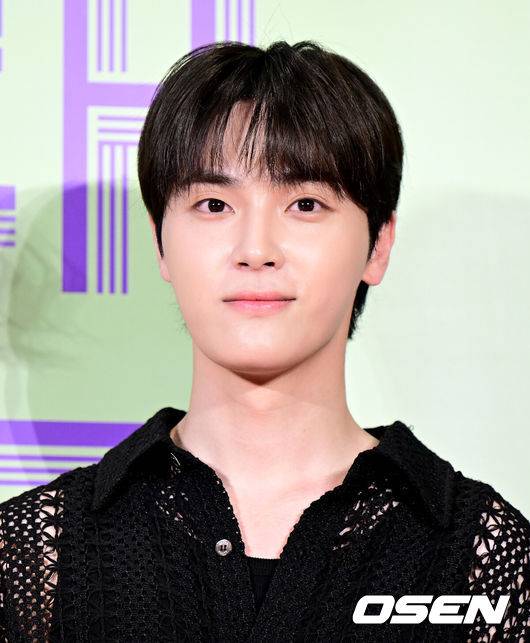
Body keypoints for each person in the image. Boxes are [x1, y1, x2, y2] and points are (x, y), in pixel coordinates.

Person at [0, 40, 528, 642]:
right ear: (159, 243)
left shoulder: (482, 556)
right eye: (213, 204)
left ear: (378, 245)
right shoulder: (35, 554)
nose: (255, 250)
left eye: (305, 204)